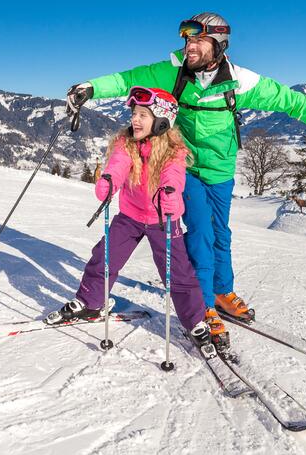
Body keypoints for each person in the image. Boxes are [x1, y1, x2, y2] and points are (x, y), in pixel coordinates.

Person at [64, 12, 306, 322]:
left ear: (219, 44)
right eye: (188, 40)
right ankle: (202, 306)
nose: (190, 46)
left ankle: (221, 291)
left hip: (221, 170)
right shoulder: (173, 72)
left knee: (221, 234)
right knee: (201, 233)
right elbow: (125, 80)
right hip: (185, 167)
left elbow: (293, 102)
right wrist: (89, 89)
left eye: (199, 40)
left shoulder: (242, 82)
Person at [47, 86, 228, 349]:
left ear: (162, 120)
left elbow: (173, 175)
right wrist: (110, 181)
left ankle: (195, 321)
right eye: (134, 113)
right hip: (130, 216)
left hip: (163, 219)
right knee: (105, 256)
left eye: (143, 114)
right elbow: (119, 165)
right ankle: (90, 301)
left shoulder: (173, 150)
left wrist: (170, 192)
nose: (135, 119)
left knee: (178, 273)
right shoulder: (126, 143)